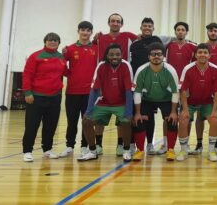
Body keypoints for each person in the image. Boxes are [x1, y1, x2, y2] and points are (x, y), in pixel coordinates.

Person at [77, 44, 134, 162]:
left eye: (118, 54)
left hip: (120, 103)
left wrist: (129, 111)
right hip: (104, 102)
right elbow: (94, 89)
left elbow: (129, 90)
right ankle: (93, 151)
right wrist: (88, 111)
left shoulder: (126, 65)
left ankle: (126, 150)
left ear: (121, 55)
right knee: (86, 121)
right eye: (111, 54)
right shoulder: (101, 66)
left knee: (127, 121)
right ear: (107, 56)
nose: (115, 57)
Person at [93, 13, 138, 155]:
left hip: (122, 77)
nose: (115, 23)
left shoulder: (128, 36)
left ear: (121, 24)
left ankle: (120, 145)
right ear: (108, 23)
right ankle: (98, 144)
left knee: (122, 116)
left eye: (118, 21)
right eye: (112, 21)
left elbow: (146, 37)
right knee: (100, 117)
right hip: (104, 79)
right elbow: (88, 43)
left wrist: (173, 39)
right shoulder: (100, 38)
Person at [152, 22, 196, 156]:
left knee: (185, 116)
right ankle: (166, 144)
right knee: (168, 116)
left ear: (187, 32)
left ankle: (186, 144)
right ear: (175, 32)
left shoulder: (193, 47)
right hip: (170, 87)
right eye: (178, 30)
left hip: (186, 88)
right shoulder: (168, 46)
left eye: (183, 30)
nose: (180, 32)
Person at [22, 33, 67, 162]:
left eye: (55, 40)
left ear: (59, 43)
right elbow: (27, 75)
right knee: (32, 125)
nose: (52, 42)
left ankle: (47, 149)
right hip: (36, 97)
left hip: (55, 97)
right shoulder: (36, 56)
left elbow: (66, 72)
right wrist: (28, 93)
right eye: (50, 40)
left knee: (51, 125)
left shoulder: (61, 57)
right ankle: (27, 151)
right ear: (45, 41)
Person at [177, 44, 217, 162]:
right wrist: (185, 109)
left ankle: (212, 150)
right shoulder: (188, 68)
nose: (202, 54)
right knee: (183, 120)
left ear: (209, 55)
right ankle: (183, 150)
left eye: (205, 52)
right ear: (195, 55)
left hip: (207, 102)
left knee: (214, 120)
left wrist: (214, 110)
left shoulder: (215, 69)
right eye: (200, 52)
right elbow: (182, 90)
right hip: (190, 102)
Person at [133, 42, 180, 161]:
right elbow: (137, 92)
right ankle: (140, 150)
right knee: (139, 120)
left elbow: (175, 92)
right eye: (153, 54)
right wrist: (137, 112)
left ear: (163, 56)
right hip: (147, 100)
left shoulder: (171, 70)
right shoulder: (141, 70)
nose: (156, 56)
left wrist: (174, 112)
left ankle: (170, 150)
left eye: (159, 54)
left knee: (172, 120)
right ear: (149, 56)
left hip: (166, 100)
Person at [59, 21, 97, 158]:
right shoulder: (69, 49)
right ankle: (69, 146)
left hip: (90, 93)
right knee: (72, 120)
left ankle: (84, 147)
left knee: (87, 121)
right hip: (72, 92)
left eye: (88, 30)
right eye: (83, 30)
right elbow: (61, 65)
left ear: (91, 32)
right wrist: (70, 74)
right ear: (78, 31)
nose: (85, 33)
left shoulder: (96, 48)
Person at [128, 17, 163, 160]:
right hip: (136, 84)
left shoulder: (158, 41)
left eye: (150, 26)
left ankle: (150, 143)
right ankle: (131, 145)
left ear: (153, 28)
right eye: (145, 26)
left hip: (152, 85)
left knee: (149, 115)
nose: (147, 28)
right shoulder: (134, 44)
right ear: (141, 28)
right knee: (134, 114)